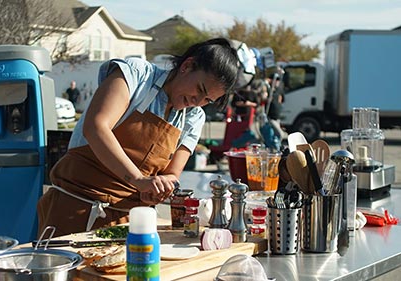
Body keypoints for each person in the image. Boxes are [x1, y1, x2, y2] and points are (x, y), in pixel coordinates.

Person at [37, 38, 255, 236]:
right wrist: (139, 180)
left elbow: (172, 174)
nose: (197, 101)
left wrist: (160, 189)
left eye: (207, 99)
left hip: (131, 225)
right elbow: (96, 127)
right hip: (73, 209)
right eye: (199, 89)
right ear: (187, 66)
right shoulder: (136, 75)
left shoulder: (194, 117)